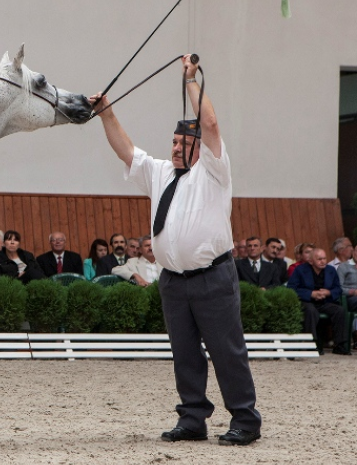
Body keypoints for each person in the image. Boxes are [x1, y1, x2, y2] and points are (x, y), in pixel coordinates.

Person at [89, 54, 261, 446]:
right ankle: (193, 418)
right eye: (175, 141)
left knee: (226, 350)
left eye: (186, 142)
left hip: (213, 276)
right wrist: (106, 113)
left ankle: (246, 420)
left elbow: (212, 123)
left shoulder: (215, 170)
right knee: (184, 352)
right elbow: (127, 150)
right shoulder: (161, 171)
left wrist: (191, 81)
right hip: (173, 281)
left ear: (201, 147)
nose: (178, 148)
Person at [287, 248, 349, 355]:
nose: (323, 261)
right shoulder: (300, 270)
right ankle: (312, 344)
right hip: (307, 301)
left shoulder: (331, 270)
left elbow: (338, 289)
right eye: (319, 259)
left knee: (339, 310)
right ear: (311, 261)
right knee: (311, 311)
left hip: (325, 301)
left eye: (324, 258)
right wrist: (311, 294)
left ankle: (339, 345)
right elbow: (291, 289)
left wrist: (328, 292)